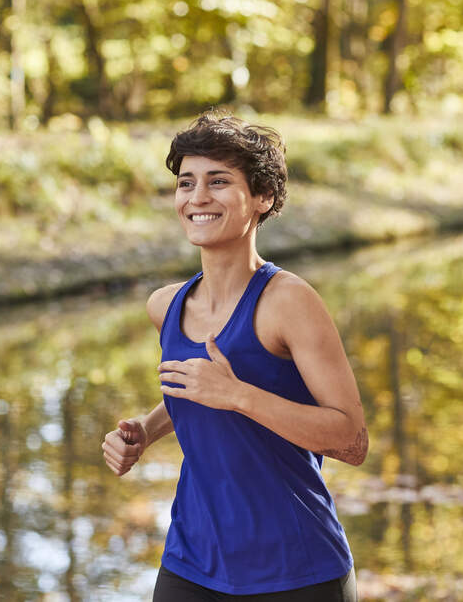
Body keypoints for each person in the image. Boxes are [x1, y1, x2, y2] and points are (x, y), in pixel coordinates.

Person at [101, 112, 366, 601]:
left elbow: (351, 440)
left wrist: (239, 395)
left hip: (297, 570)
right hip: (191, 563)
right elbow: (197, 389)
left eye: (218, 181)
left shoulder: (289, 302)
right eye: (186, 182)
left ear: (262, 197)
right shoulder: (165, 306)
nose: (197, 197)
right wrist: (146, 429)